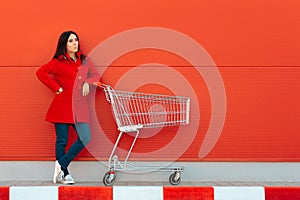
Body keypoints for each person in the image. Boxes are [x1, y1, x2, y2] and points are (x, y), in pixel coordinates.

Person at [36, 30, 101, 184]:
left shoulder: (85, 60)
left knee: (85, 137)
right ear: (64, 44)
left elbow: (97, 77)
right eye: (71, 41)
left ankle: (61, 164)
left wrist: (87, 82)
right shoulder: (57, 62)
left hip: (80, 107)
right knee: (62, 141)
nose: (75, 43)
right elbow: (41, 72)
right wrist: (56, 88)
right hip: (63, 106)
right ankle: (65, 174)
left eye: (76, 40)